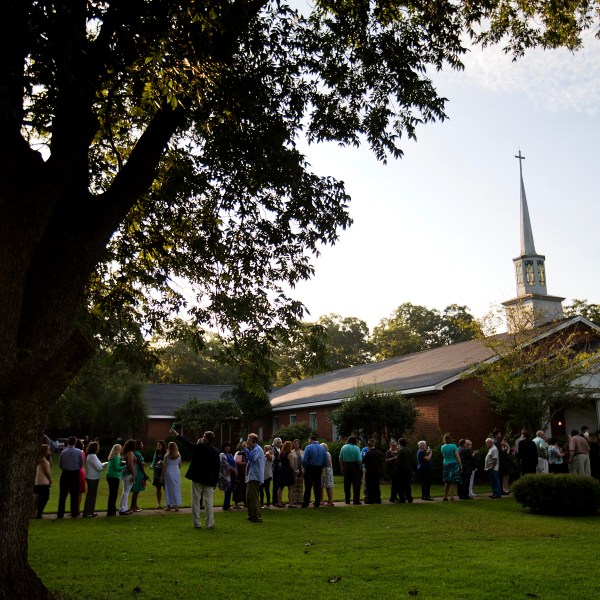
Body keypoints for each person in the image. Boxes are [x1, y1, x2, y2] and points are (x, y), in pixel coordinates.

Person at [171, 427, 220, 529]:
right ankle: (210, 523)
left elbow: (186, 443)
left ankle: (197, 523)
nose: (202, 438)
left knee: (195, 500)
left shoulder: (199, 447)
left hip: (198, 478)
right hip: (209, 480)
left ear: (206, 439)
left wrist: (176, 434)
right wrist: (215, 481)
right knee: (209, 502)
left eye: (203, 436)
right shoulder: (216, 452)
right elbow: (217, 469)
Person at [57, 436, 83, 518]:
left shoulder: (63, 452)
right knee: (74, 494)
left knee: (63, 494)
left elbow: (60, 465)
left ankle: (60, 513)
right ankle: (74, 512)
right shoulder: (79, 452)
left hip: (65, 473)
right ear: (75, 442)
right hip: (75, 473)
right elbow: (81, 464)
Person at [243, 433, 265, 522]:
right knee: (249, 497)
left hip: (254, 476)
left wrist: (245, 449)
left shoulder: (257, 449)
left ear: (253, 440)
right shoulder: (254, 449)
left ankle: (256, 516)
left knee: (253, 497)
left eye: (249, 439)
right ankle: (251, 514)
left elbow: (252, 458)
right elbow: (249, 460)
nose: (247, 441)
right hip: (251, 476)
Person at [302, 434, 328, 508]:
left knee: (308, 486)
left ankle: (306, 503)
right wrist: (321, 466)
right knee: (317, 486)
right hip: (318, 468)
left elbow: (304, 460)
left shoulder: (308, 447)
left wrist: (306, 467)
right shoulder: (322, 448)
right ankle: (317, 502)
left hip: (310, 468)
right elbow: (325, 461)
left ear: (310, 439)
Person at [339, 436, 363, 504]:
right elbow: (359, 459)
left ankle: (347, 499)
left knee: (347, 483)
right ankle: (356, 500)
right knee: (356, 484)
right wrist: (360, 467)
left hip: (346, 465)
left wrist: (341, 467)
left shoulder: (344, 447)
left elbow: (340, 458)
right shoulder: (357, 448)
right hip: (355, 466)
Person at [83, 441, 103, 517]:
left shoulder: (91, 455)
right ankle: (87, 512)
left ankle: (90, 512)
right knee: (91, 495)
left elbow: (99, 464)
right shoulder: (93, 456)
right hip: (93, 477)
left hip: (92, 477)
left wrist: (102, 465)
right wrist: (103, 466)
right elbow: (99, 467)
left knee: (92, 495)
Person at [441, 433, 462, 502]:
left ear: (444, 440)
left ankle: (445, 496)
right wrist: (460, 465)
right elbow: (457, 456)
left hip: (445, 464)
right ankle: (451, 497)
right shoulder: (453, 446)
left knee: (447, 481)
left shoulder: (442, 447)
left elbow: (444, 456)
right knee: (453, 481)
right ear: (450, 439)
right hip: (453, 464)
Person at [33, 443, 52, 519]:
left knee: (38, 498)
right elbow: (46, 472)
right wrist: (50, 479)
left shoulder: (39, 459)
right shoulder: (43, 460)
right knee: (45, 497)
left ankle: (37, 512)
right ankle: (39, 513)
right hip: (43, 481)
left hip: (38, 481)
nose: (49, 451)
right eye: (48, 449)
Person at [362, 439, 384, 504]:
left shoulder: (368, 453)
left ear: (368, 446)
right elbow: (382, 462)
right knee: (376, 485)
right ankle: (377, 499)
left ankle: (370, 499)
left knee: (369, 485)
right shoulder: (379, 453)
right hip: (377, 471)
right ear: (374, 445)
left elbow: (364, 462)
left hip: (369, 471)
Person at [162, 441, 182, 511]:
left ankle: (168, 505)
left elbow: (164, 466)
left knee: (168, 489)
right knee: (176, 488)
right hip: (176, 472)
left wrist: (162, 475)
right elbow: (180, 465)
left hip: (169, 471)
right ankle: (176, 506)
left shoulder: (166, 456)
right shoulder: (178, 455)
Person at [130, 439, 148, 512]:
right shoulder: (137, 453)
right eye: (141, 444)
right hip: (138, 473)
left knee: (136, 491)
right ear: (138, 446)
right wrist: (145, 474)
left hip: (137, 472)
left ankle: (135, 506)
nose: (142, 445)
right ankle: (133, 506)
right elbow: (141, 465)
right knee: (136, 490)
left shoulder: (136, 453)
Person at [275, 440, 295, 507]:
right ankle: (290, 503)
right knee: (291, 487)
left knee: (280, 487)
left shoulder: (281, 453)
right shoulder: (290, 454)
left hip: (281, 471)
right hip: (288, 472)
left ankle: (279, 502)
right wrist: (295, 471)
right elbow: (291, 465)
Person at [119, 439, 137, 515]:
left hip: (124, 473)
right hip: (128, 474)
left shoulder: (124, 453)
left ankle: (124, 508)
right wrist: (133, 474)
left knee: (125, 491)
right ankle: (123, 509)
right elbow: (130, 464)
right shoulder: (130, 453)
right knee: (126, 491)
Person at [105, 443, 123, 517]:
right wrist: (124, 467)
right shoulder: (116, 457)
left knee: (112, 494)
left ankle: (111, 510)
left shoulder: (112, 457)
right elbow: (116, 468)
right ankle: (111, 511)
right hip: (114, 476)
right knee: (113, 494)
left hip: (110, 475)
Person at [219, 442, 237, 511]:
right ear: (223, 447)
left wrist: (235, 470)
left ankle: (227, 505)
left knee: (229, 490)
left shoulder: (230, 455)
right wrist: (234, 470)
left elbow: (234, 464)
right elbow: (225, 464)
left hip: (231, 475)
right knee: (227, 490)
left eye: (229, 446)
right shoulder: (222, 455)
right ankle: (226, 506)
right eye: (226, 446)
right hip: (225, 475)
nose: (228, 448)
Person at [395, 438, 414, 504]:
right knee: (407, 485)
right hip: (408, 470)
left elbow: (398, 462)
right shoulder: (409, 450)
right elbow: (411, 460)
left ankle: (402, 498)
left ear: (400, 443)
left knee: (400, 485)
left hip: (401, 470)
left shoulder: (401, 451)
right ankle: (409, 498)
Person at [151, 440, 167, 509]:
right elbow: (154, 461)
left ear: (163, 446)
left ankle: (167, 503)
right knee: (158, 488)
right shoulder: (156, 452)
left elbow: (167, 461)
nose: (158, 446)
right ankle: (158, 503)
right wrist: (152, 466)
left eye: (159, 445)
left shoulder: (166, 453)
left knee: (166, 488)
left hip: (164, 471)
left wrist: (162, 462)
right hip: (157, 471)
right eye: (157, 445)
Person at [233, 441, 247, 509]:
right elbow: (236, 463)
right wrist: (245, 463)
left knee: (244, 488)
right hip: (240, 473)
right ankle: (236, 503)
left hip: (244, 473)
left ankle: (245, 502)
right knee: (238, 488)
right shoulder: (238, 453)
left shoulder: (245, 453)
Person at [290, 439, 304, 507]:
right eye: (295, 443)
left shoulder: (302, 452)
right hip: (294, 471)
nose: (296, 445)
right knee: (294, 486)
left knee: (300, 486)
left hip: (301, 471)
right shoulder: (291, 452)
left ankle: (300, 500)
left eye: (297, 443)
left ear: (299, 444)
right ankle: (294, 500)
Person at [260, 444, 273, 509]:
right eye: (264, 449)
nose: (264, 450)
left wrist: (267, 452)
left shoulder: (271, 456)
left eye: (266, 449)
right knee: (261, 490)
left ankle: (268, 504)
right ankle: (261, 503)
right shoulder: (263, 456)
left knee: (267, 489)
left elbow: (269, 456)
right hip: (262, 475)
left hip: (268, 475)